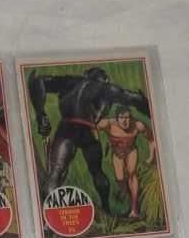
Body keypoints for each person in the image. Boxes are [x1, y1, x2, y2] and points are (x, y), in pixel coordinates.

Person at [27, 66, 152, 212]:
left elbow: (39, 82)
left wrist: (41, 113)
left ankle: (46, 214)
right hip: (88, 130)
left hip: (67, 127)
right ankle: (106, 209)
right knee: (97, 172)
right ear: (105, 79)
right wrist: (150, 110)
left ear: (86, 75)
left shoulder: (71, 81)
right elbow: (134, 99)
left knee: (56, 172)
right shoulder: (107, 88)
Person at [96, 107, 154, 218]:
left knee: (132, 173)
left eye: (127, 117)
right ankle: (128, 194)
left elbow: (151, 139)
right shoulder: (108, 124)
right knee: (120, 178)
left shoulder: (137, 125)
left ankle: (134, 209)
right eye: (122, 118)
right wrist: (98, 142)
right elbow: (94, 128)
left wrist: (151, 157)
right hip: (117, 154)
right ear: (116, 119)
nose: (125, 121)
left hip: (131, 151)